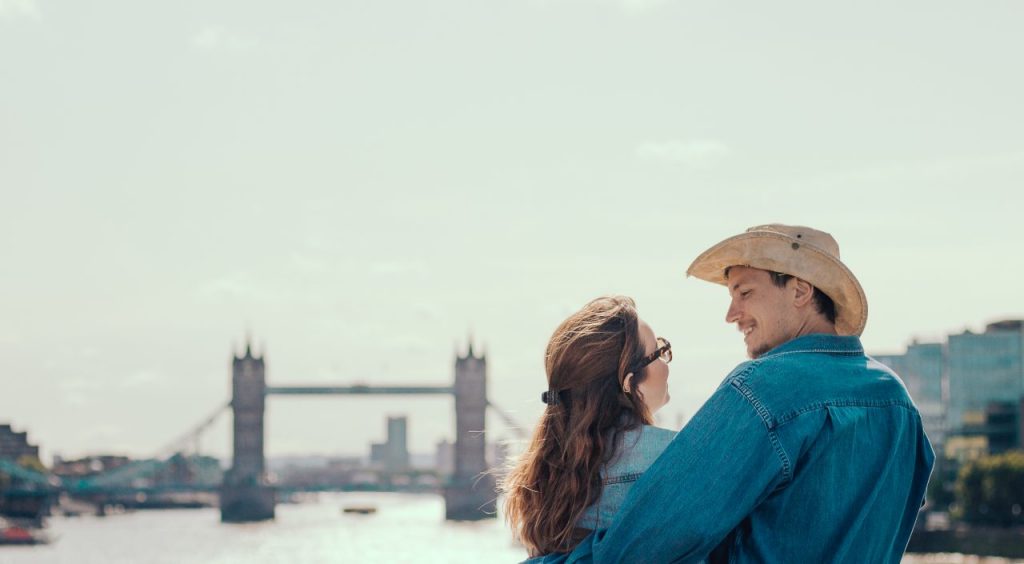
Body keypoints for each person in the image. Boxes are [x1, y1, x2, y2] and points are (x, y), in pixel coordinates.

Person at [542, 224, 935, 563]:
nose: (731, 314)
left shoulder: (761, 390)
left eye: (744, 292)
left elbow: (642, 545)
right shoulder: (900, 405)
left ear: (800, 291)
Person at [501, 295, 676, 558]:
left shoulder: (549, 473)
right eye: (659, 352)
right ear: (629, 382)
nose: (666, 362)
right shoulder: (674, 459)